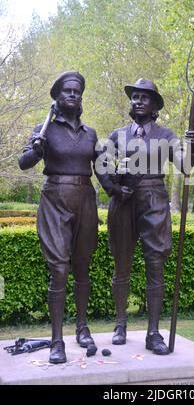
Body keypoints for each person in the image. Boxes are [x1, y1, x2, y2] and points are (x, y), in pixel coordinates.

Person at [97, 78, 194, 355]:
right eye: (135, 97)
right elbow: (101, 166)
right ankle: (120, 324)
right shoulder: (117, 134)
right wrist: (113, 188)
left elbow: (189, 168)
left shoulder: (166, 136)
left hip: (154, 200)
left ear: (155, 106)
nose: (138, 101)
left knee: (155, 265)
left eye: (144, 97)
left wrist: (192, 143)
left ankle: (153, 333)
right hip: (124, 201)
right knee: (121, 266)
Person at [19, 71, 99, 364]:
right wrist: (36, 151)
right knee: (59, 270)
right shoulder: (44, 130)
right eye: (67, 90)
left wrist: (118, 188)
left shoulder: (90, 133)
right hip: (55, 201)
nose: (73, 95)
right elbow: (24, 162)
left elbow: (101, 168)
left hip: (85, 201)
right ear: (57, 95)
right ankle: (56, 340)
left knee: (81, 267)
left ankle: (82, 327)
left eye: (77, 91)